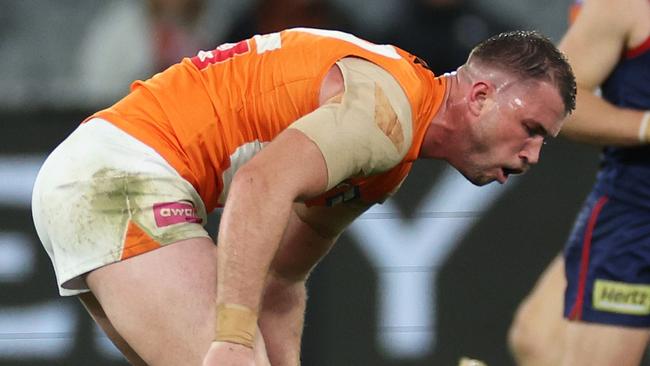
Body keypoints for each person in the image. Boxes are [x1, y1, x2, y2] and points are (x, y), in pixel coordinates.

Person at [31, 28, 575, 365]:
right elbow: (259, 186)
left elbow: (282, 278)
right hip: (118, 178)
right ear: (480, 96)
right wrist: (233, 338)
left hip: (101, 177)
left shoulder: (390, 153)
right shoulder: (386, 118)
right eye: (531, 129)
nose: (533, 155)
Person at [508, 0, 650, 365]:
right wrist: (643, 126)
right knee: (537, 339)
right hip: (637, 216)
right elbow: (559, 98)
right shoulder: (625, 6)